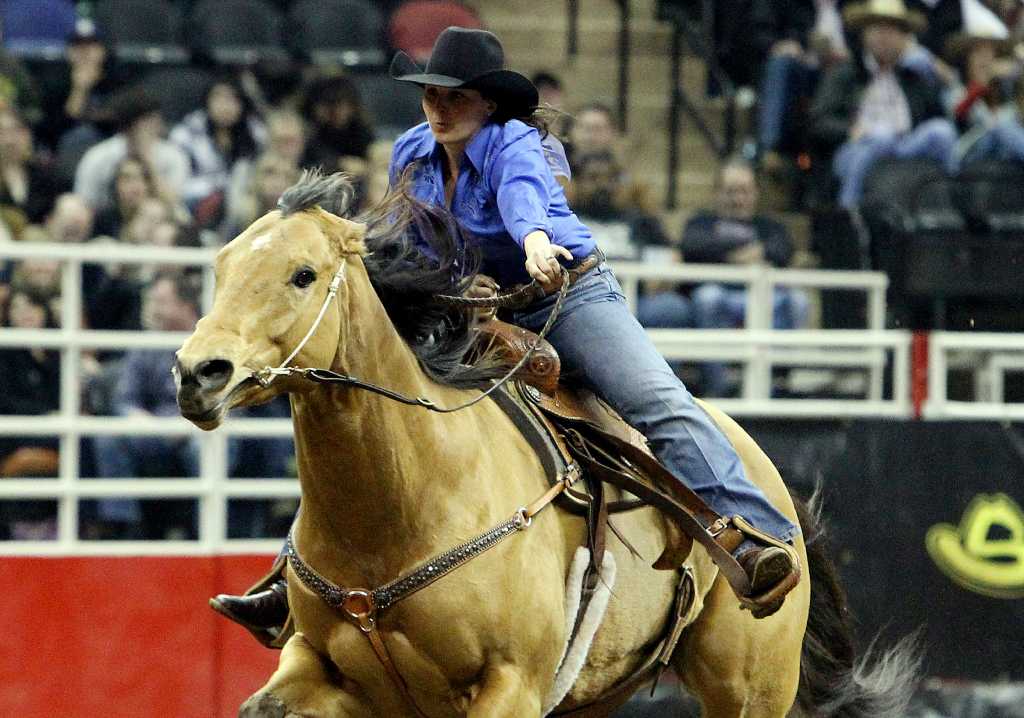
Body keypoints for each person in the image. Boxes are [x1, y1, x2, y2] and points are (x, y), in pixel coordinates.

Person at [213, 27, 802, 632]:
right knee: (362, 396)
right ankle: (297, 572)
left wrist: (535, 242)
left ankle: (755, 537)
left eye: (456, 97)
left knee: (656, 400)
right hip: (469, 310)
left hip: (565, 294)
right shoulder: (411, 152)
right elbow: (410, 233)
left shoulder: (514, 143)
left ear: (488, 103)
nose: (439, 109)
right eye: (431, 96)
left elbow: (525, 199)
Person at [810, 0, 958, 209]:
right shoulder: (846, 73)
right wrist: (852, 131)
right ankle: (849, 213)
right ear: (865, 34)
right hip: (861, 145)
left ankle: (951, 204)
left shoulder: (913, 76)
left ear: (905, 38)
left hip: (904, 143)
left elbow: (938, 114)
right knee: (879, 139)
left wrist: (940, 76)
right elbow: (819, 121)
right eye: (877, 28)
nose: (884, 36)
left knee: (942, 132)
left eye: (892, 30)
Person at [684, 158, 810, 396]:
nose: (738, 198)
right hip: (720, 299)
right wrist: (742, 252)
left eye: (744, 191)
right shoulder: (701, 222)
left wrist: (757, 251)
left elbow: (783, 248)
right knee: (707, 297)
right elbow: (692, 245)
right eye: (731, 191)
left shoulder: (768, 225)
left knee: (798, 301)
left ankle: (777, 386)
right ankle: (716, 388)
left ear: (755, 194)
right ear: (716, 193)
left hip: (764, 301)